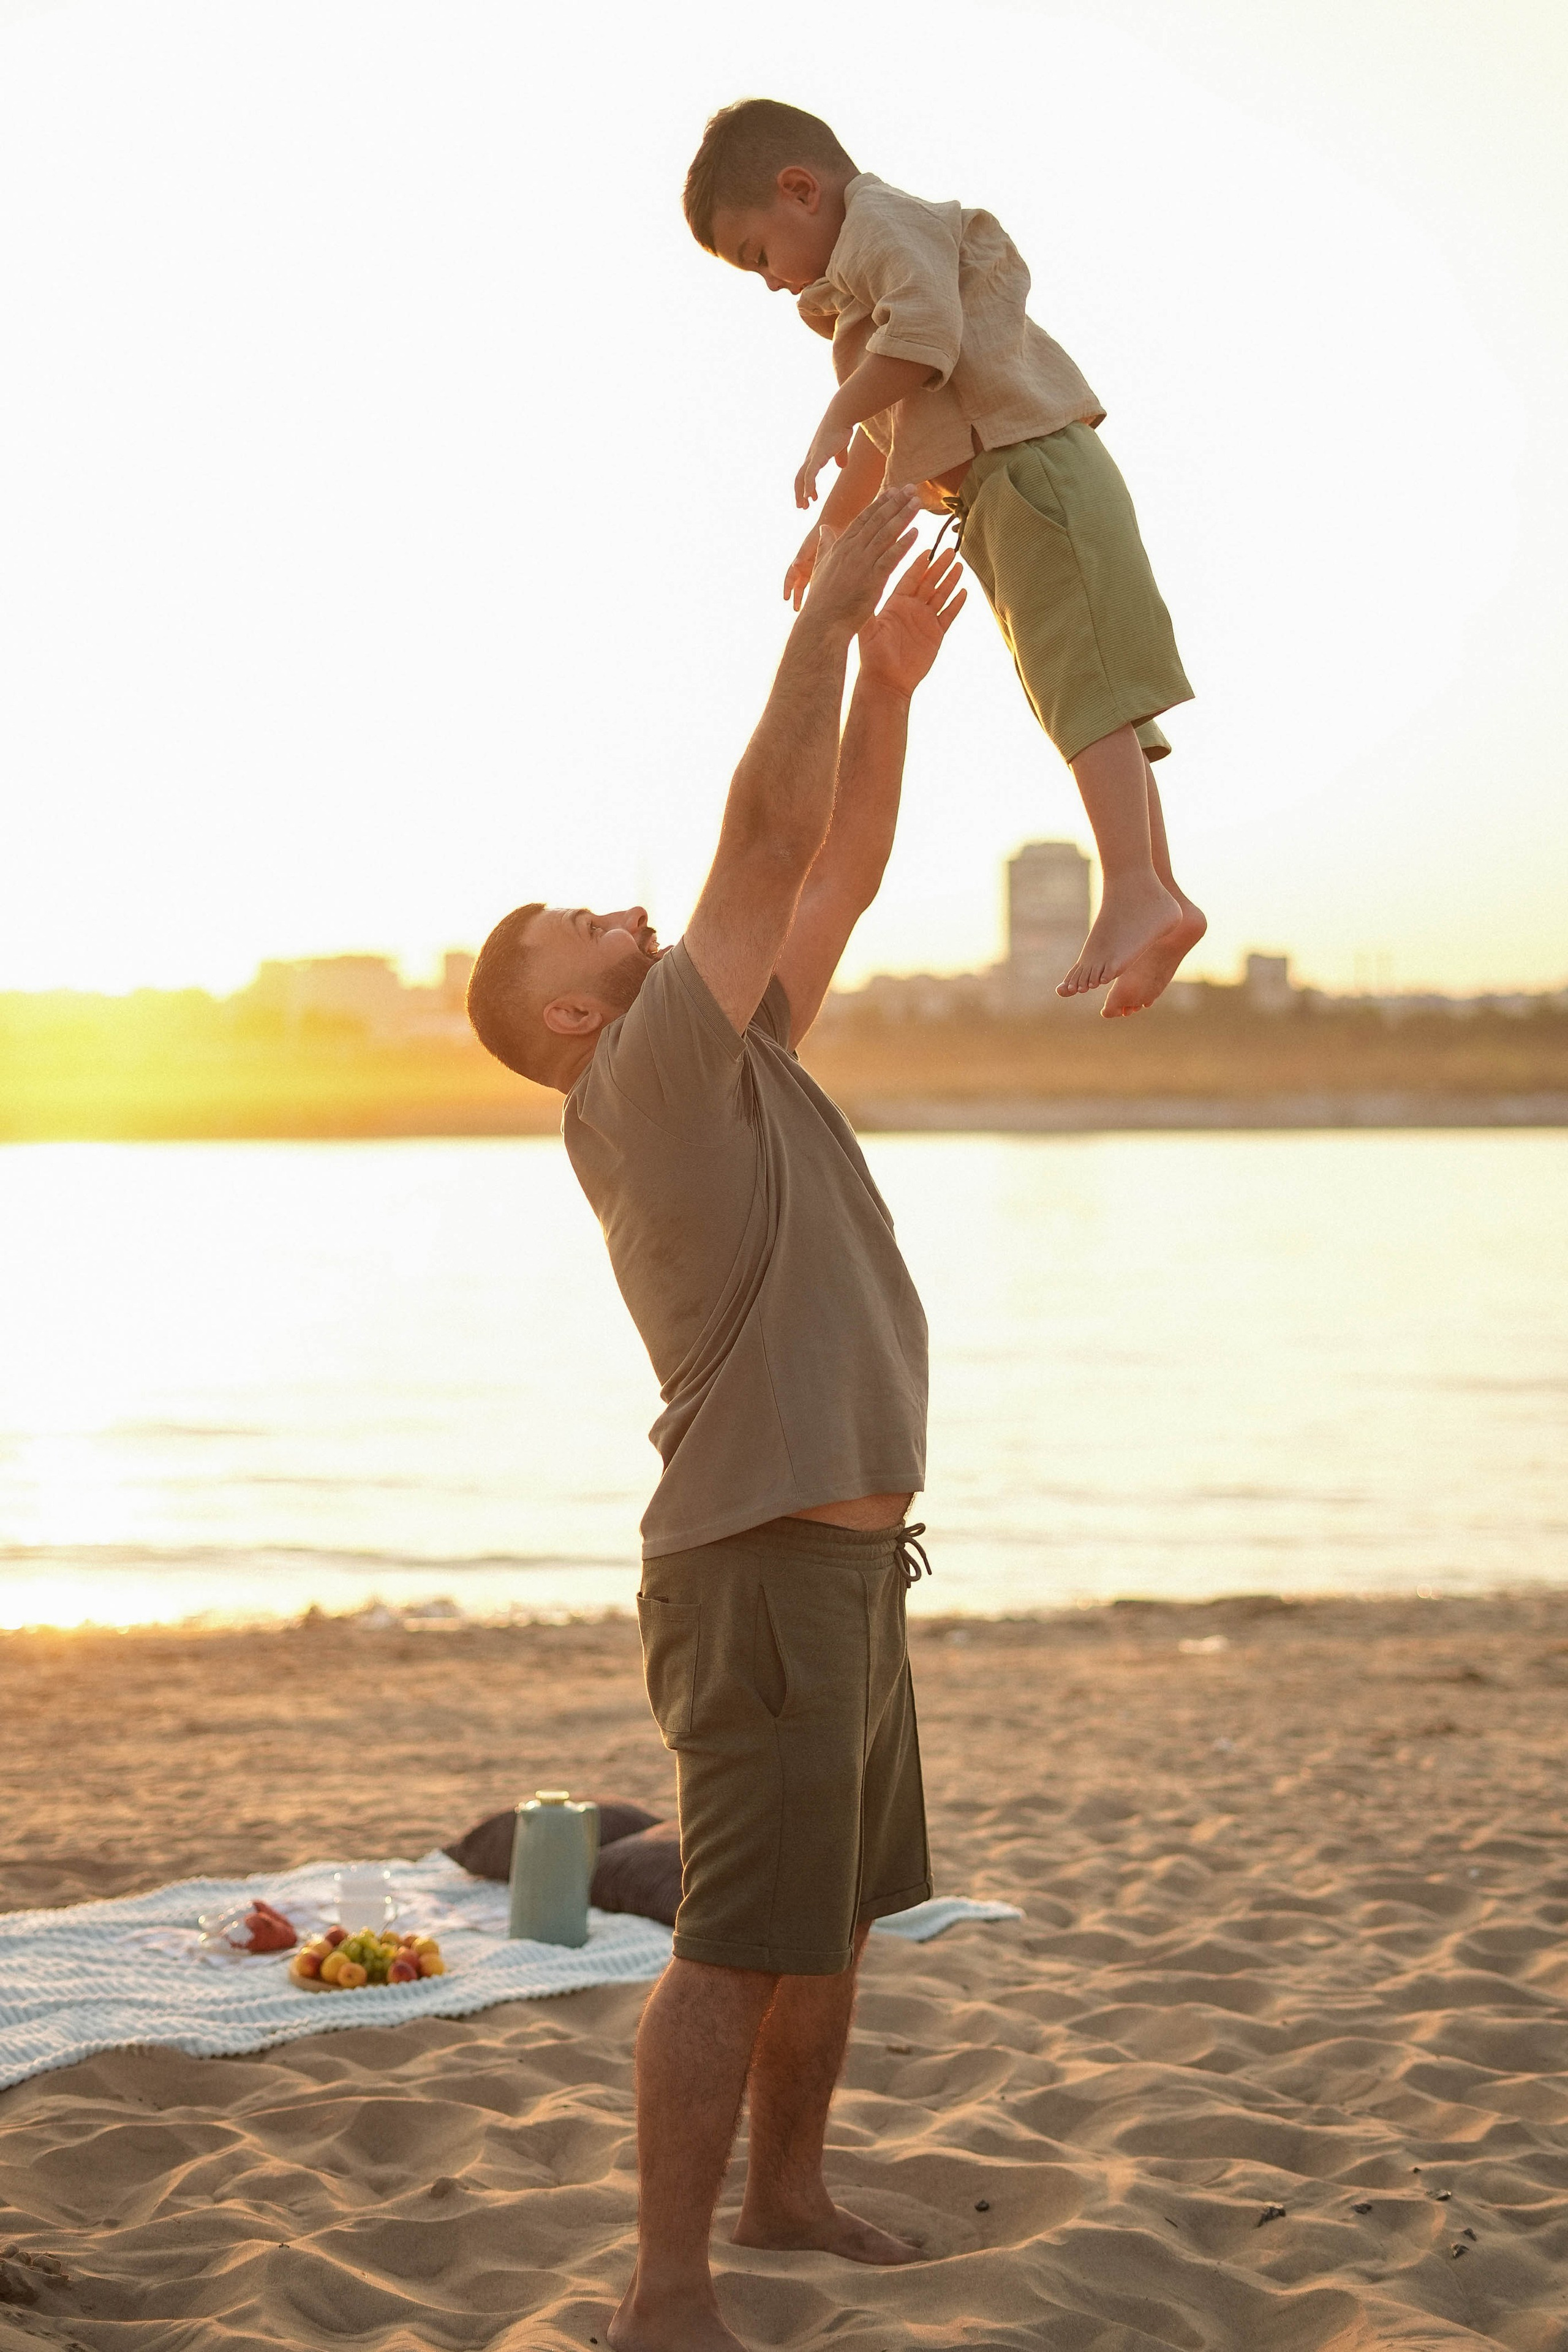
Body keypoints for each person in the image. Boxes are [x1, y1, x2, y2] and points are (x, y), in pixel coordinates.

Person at [466, 488, 963, 2352]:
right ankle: (666, 2285)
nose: (617, 902)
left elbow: (826, 879)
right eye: (571, 927)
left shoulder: (726, 1055)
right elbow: (766, 834)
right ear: (582, 1016)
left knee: (825, 1926)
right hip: (757, 1571)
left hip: (845, 1569)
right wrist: (828, 604)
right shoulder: (651, 1082)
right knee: (732, 1939)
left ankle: (789, 2194)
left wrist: (891, 691)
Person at [684, 97, 1208, 1020]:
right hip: (999, 496)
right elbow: (895, 435)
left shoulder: (887, 231)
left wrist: (834, 414)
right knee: (1082, 695)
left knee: (1084, 691)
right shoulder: (858, 296)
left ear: (799, 190)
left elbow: (926, 344)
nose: (769, 285)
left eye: (758, 254)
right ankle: (1159, 893)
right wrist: (833, 529)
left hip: (1033, 471)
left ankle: (1135, 886)